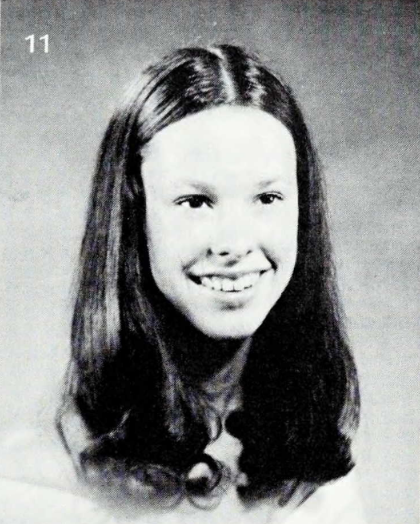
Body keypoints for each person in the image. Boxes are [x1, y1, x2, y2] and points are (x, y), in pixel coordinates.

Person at [0, 45, 367, 523]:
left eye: (267, 198)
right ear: (134, 219)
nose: (235, 243)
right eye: (195, 202)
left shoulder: (316, 471)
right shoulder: (32, 485)